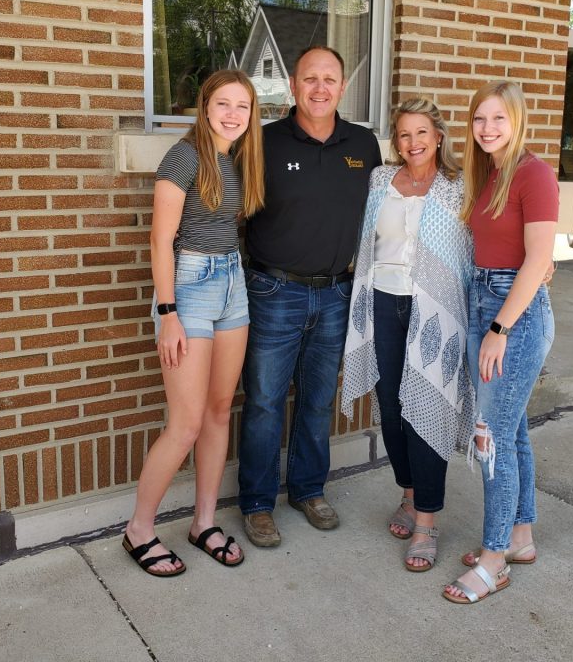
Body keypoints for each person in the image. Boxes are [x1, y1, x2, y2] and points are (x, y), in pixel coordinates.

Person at [237, 46, 382, 547]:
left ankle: (306, 488)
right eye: (309, 78)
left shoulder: (363, 144)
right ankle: (256, 503)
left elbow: (387, 214)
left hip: (336, 293)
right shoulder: (260, 142)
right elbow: (232, 213)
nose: (320, 88)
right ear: (293, 85)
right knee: (264, 403)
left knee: (318, 402)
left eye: (330, 79)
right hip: (273, 290)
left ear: (343, 87)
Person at [123, 70, 264, 577]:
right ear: (205, 107)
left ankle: (203, 522)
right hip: (190, 286)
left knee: (220, 410)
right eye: (223, 104)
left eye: (242, 106)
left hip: (233, 284)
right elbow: (160, 240)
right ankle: (139, 528)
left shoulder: (240, 159)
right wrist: (168, 314)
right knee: (183, 423)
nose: (232, 114)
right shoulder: (184, 156)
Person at [340, 98, 476, 572]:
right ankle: (409, 493)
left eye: (422, 133)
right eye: (403, 134)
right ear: (394, 141)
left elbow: (480, 244)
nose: (413, 142)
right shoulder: (381, 180)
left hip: (435, 309)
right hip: (381, 301)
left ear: (439, 136)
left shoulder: (458, 187)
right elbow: (365, 239)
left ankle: (426, 522)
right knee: (393, 408)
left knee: (429, 407)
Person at [443, 80, 558, 604]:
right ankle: (521, 537)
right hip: (484, 301)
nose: (487, 129)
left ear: (518, 121)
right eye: (479, 119)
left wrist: (498, 330)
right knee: (512, 433)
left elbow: (537, 259)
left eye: (498, 119)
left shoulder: (534, 173)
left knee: (490, 438)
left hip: (513, 315)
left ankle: (494, 560)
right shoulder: (487, 174)